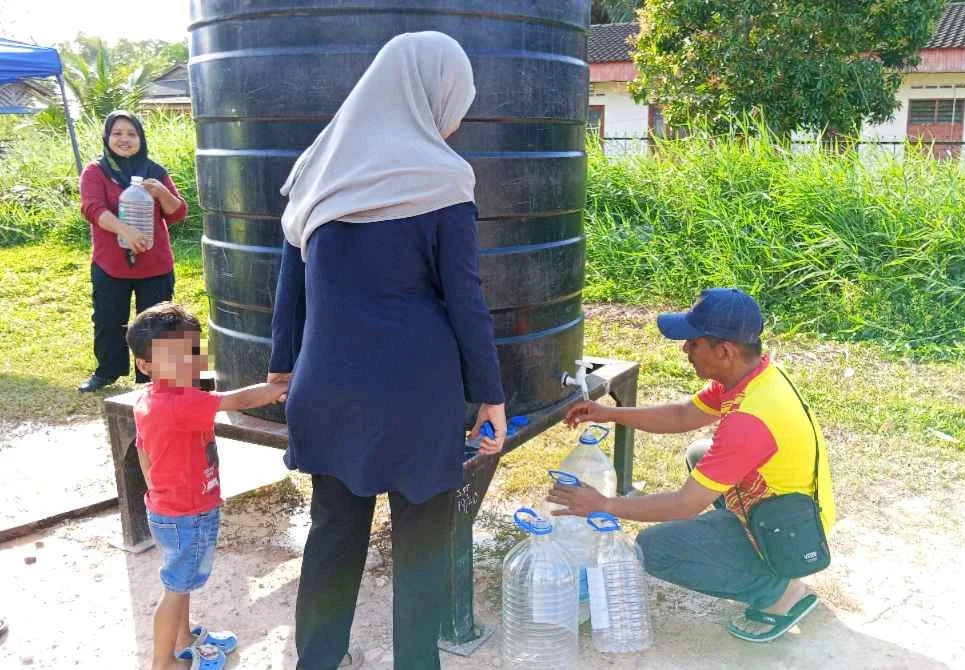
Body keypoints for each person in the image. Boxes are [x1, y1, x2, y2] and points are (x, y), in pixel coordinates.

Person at [268, 31, 507, 670]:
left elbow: (289, 289)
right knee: (422, 548)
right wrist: (491, 393)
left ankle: (316, 660)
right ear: (433, 92)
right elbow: (465, 299)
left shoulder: (316, 167)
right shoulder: (443, 178)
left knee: (332, 538)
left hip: (328, 388)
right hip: (417, 396)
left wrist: (281, 369)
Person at [548, 288, 836, 643]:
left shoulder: (750, 419)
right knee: (701, 453)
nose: (685, 349)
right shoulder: (754, 376)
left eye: (693, 342)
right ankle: (736, 543)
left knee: (655, 547)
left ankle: (778, 591)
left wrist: (603, 504)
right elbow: (684, 413)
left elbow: (686, 504)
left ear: (724, 351)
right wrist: (609, 412)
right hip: (791, 507)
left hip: (792, 534)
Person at [126, 302, 288, 670]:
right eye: (173, 356)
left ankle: (184, 641)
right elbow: (241, 400)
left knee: (180, 583)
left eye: (192, 351)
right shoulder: (181, 401)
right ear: (145, 364)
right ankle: (162, 663)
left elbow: (143, 452)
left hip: (167, 510)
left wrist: (160, 493)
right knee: (176, 588)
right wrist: (279, 385)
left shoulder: (148, 399)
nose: (187, 363)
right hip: (188, 515)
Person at [78, 110, 189, 393]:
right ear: (107, 138)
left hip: (155, 263)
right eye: (117, 133)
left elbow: (178, 214)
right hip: (110, 262)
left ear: (141, 138)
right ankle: (107, 371)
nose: (124, 139)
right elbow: (92, 209)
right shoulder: (96, 172)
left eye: (131, 133)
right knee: (107, 318)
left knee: (158, 322)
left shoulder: (155, 171)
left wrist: (162, 193)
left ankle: (154, 378)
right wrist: (125, 230)